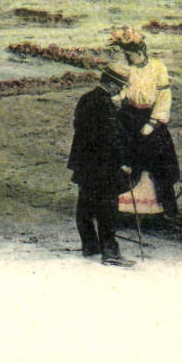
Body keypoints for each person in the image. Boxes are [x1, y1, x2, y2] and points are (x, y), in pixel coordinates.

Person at [109, 26, 179, 218]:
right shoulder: (128, 69)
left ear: (140, 52)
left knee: (160, 164)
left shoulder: (158, 68)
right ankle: (122, 209)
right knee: (124, 161)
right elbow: (124, 92)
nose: (127, 58)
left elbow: (164, 98)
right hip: (129, 117)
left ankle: (166, 211)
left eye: (130, 55)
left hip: (151, 119)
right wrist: (116, 100)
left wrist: (153, 122)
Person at [68, 64, 135, 266]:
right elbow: (110, 139)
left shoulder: (86, 99)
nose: (121, 91)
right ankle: (110, 253)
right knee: (108, 208)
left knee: (85, 206)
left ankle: (89, 246)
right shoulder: (105, 105)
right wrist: (123, 163)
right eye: (121, 86)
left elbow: (79, 128)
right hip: (103, 166)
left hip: (84, 164)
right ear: (112, 84)